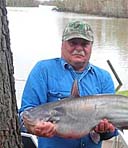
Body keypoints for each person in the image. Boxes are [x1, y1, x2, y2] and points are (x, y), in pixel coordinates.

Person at [19, 20, 118, 148]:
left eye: (84, 44)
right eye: (73, 43)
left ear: (91, 46)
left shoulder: (104, 78)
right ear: (62, 44)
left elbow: (114, 129)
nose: (78, 48)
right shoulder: (43, 70)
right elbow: (25, 115)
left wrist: (106, 130)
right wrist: (32, 127)